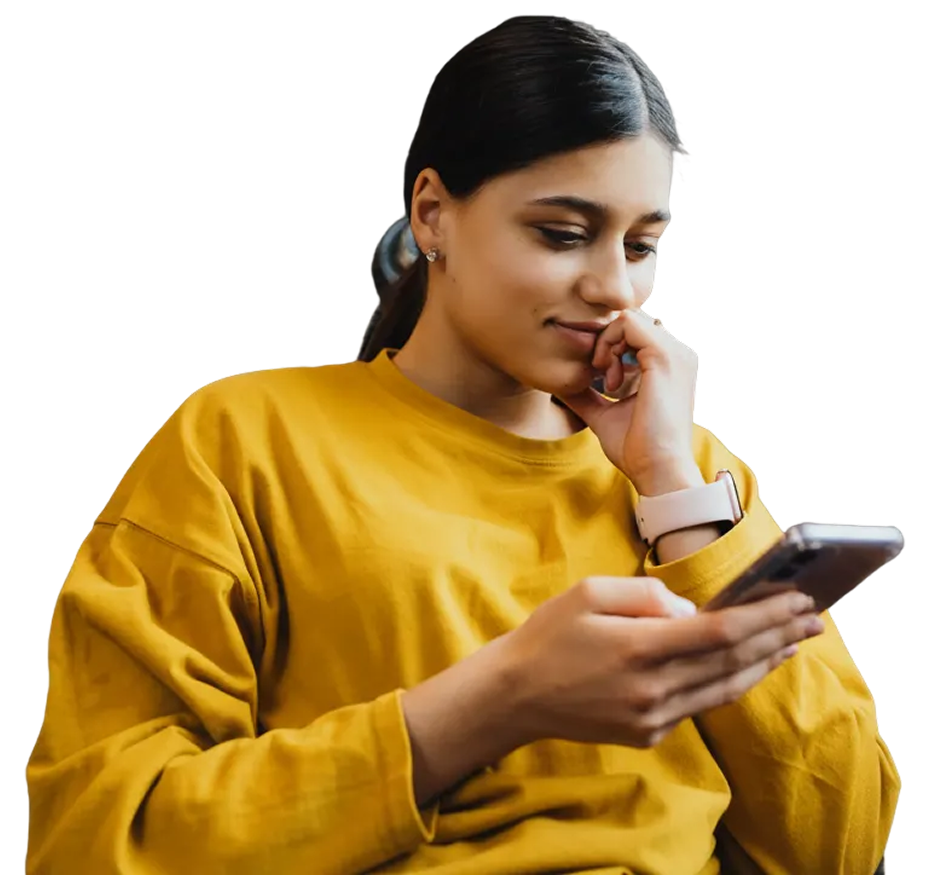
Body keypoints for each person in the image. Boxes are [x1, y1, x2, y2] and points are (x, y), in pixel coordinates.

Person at [25, 15, 898, 875]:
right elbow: (96, 838)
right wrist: (498, 698)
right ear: (433, 214)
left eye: (642, 244)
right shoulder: (241, 438)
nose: (611, 285)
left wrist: (672, 489)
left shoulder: (695, 473)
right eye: (561, 233)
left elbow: (844, 843)